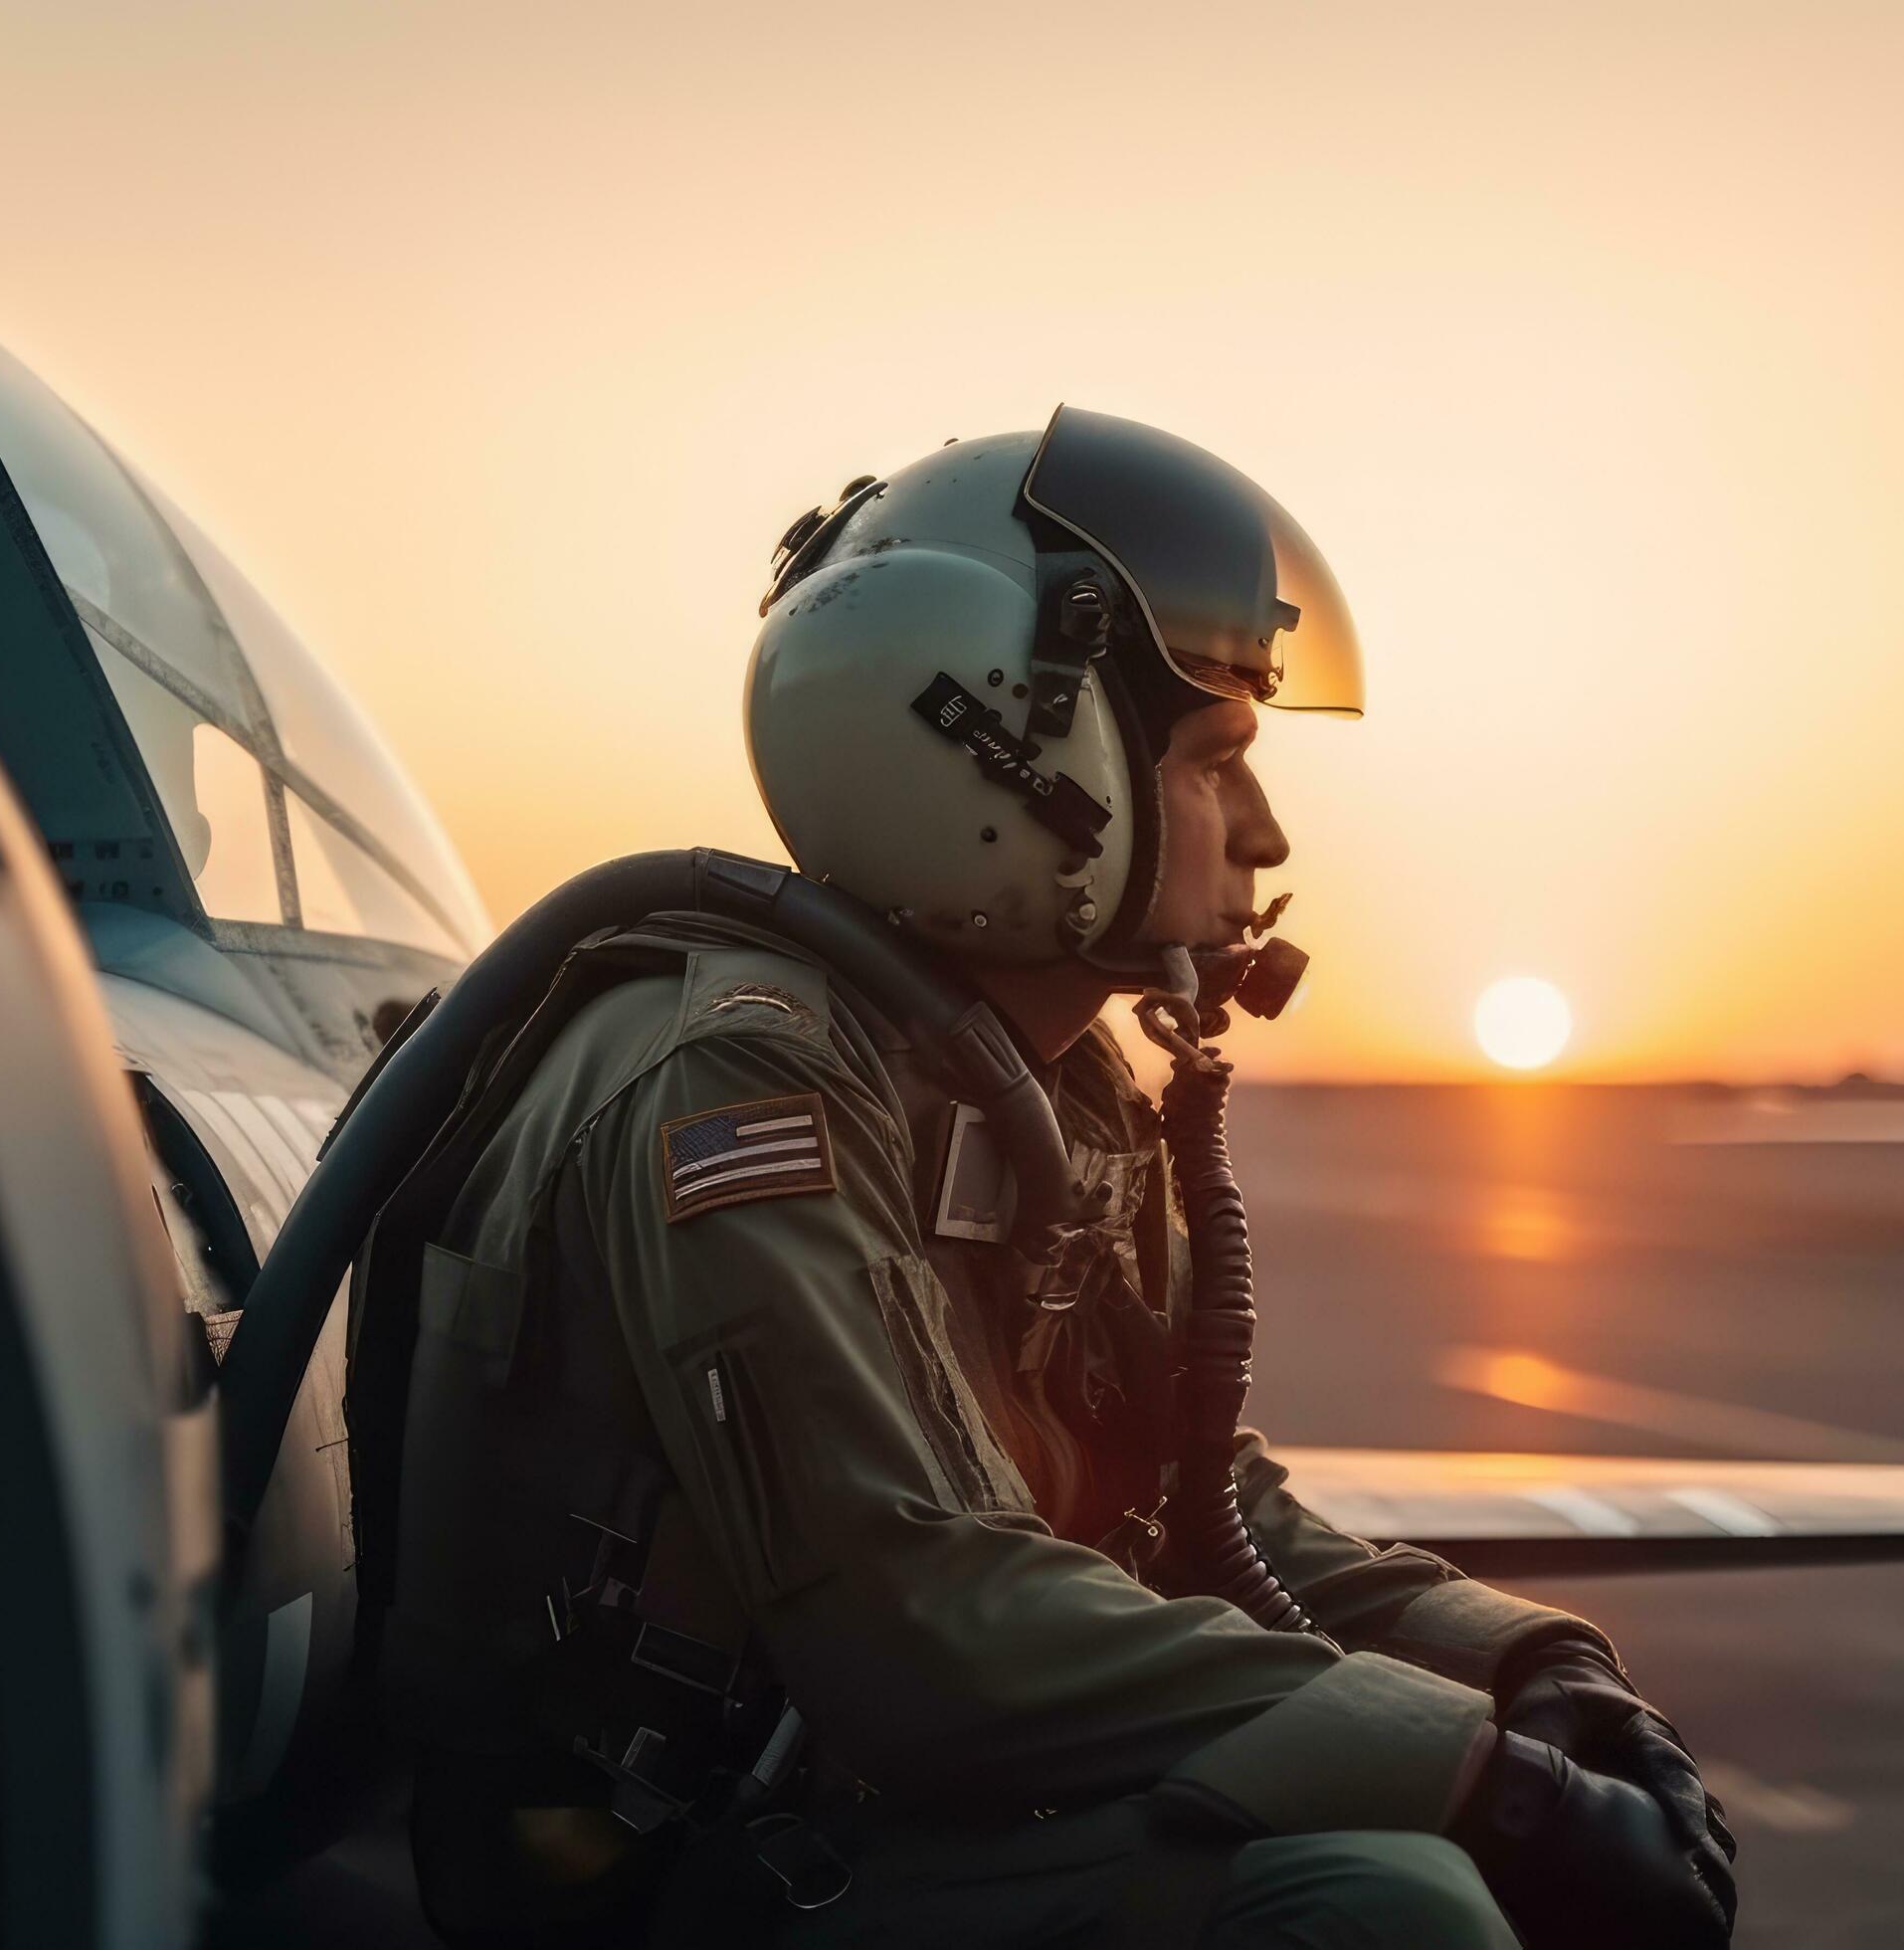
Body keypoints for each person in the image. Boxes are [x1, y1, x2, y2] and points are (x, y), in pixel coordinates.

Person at [355, 409, 1736, 1946]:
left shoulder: (1046, 1089)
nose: (1266, 833)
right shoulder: (746, 1078)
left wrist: (1539, 1668)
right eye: (1217, 765)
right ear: (1011, 758)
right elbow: (923, 1632)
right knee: (1381, 1904)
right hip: (676, 1869)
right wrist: (1492, 1789)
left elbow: (1204, 1497)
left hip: (871, 1812)